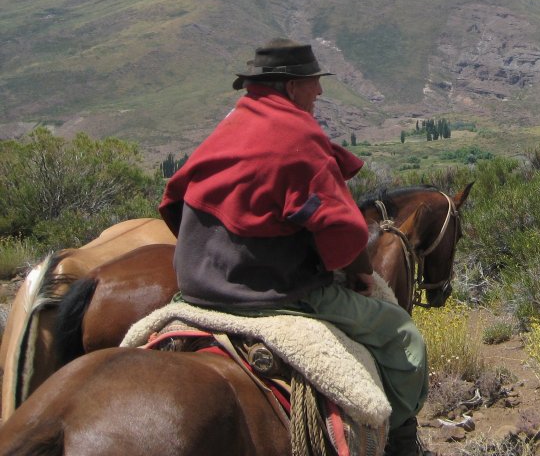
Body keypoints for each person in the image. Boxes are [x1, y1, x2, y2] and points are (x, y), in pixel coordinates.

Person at [159, 38, 429, 456]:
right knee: (402, 335)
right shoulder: (296, 135)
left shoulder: (230, 125)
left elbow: (172, 200)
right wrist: (357, 269)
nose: (319, 91)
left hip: (196, 287)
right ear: (290, 88)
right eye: (312, 82)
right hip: (263, 293)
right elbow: (342, 230)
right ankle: (401, 442)